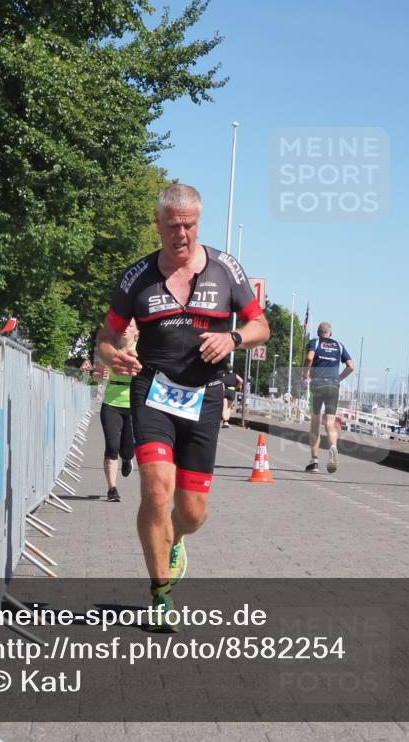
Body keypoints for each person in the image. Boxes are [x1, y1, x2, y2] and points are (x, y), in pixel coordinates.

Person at [95, 183, 270, 632]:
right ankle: (160, 593)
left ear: (198, 223)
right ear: (157, 226)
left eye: (189, 226)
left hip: (206, 396)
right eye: (172, 226)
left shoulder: (225, 269)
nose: (181, 235)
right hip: (152, 390)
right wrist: (117, 356)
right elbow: (103, 340)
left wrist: (232, 337)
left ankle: (173, 539)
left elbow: (260, 326)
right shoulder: (137, 278)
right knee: (155, 488)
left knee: (192, 511)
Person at [301, 322, 354, 473]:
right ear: (330, 333)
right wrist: (338, 378)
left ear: (318, 333)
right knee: (330, 423)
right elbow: (351, 366)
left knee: (315, 424)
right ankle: (333, 448)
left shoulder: (315, 342)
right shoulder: (339, 345)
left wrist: (305, 375)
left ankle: (314, 462)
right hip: (333, 386)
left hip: (317, 385)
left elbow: (309, 358)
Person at [97, 323, 139, 502]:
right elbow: (98, 372)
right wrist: (100, 374)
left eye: (130, 325)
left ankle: (128, 458)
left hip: (133, 404)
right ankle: (112, 489)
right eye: (124, 324)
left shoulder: (142, 349)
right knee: (112, 447)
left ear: (136, 331)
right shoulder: (109, 348)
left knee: (127, 448)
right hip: (111, 402)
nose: (125, 328)